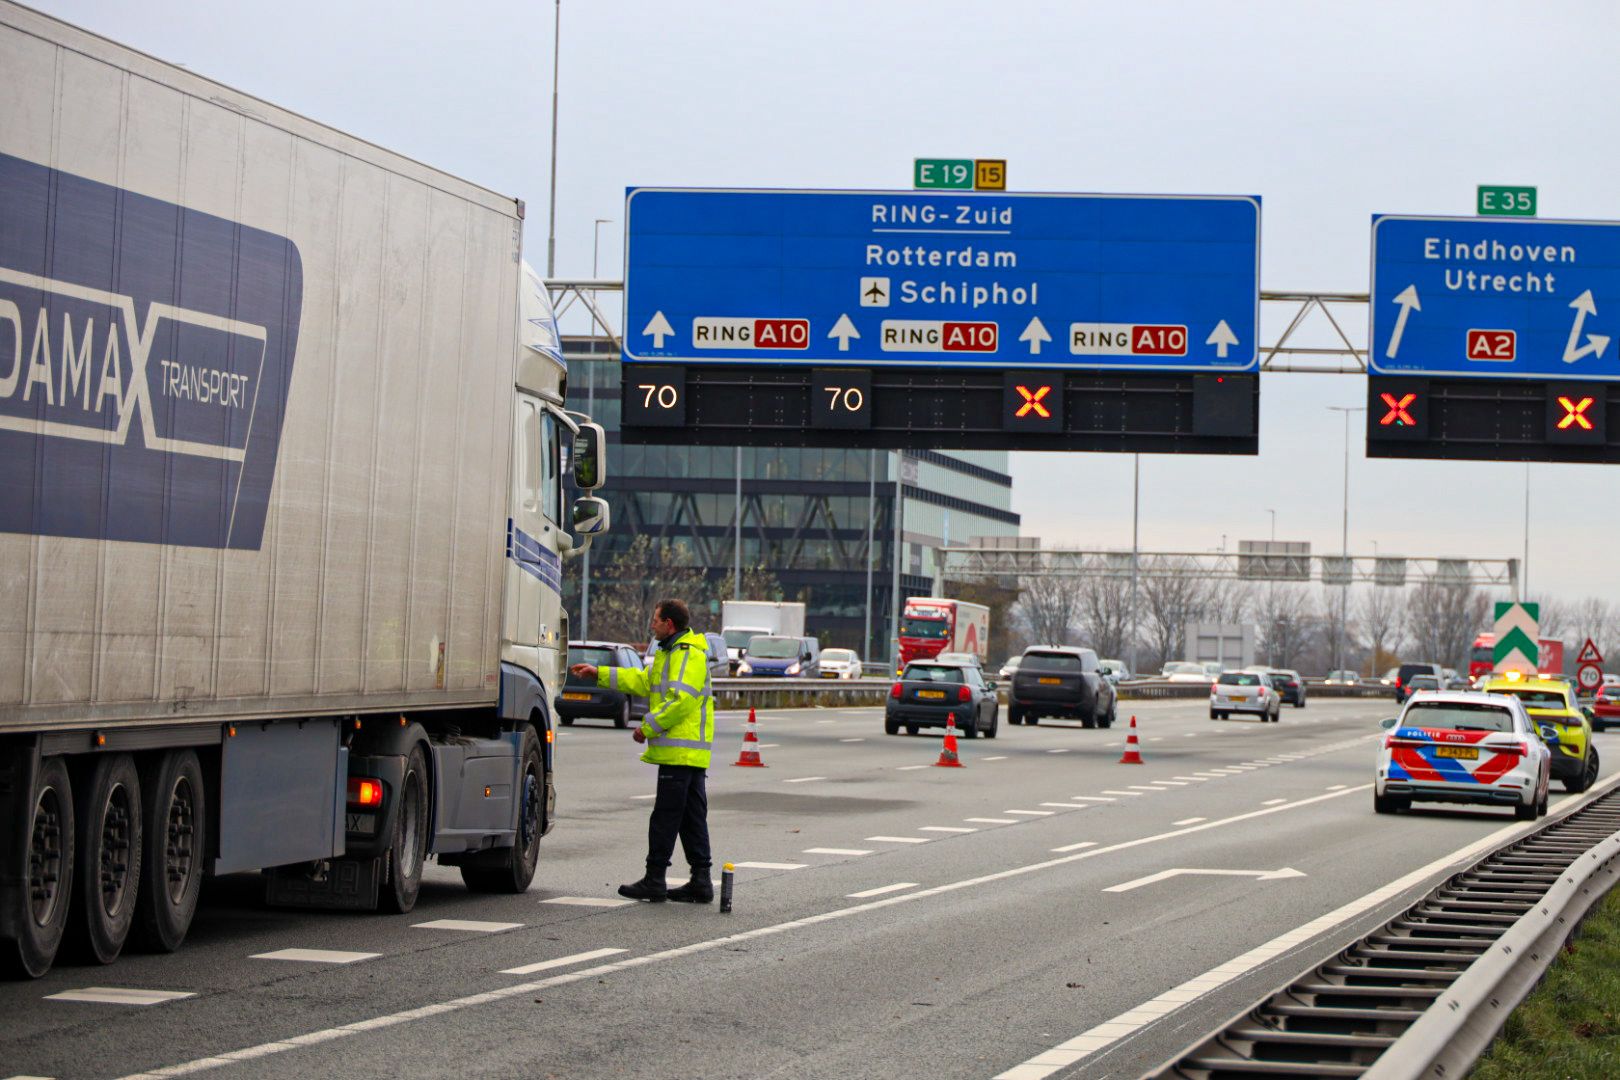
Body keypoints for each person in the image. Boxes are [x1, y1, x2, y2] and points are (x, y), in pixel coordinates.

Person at [569, 598, 714, 903]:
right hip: (687, 754)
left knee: (665, 817)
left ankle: (655, 878)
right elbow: (643, 681)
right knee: (691, 818)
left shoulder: (687, 655)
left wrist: (647, 727)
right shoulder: (672, 652)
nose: (652, 624)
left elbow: (681, 701)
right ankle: (701, 880)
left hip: (680, 752)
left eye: (655, 620)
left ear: (669, 624)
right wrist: (598, 673)